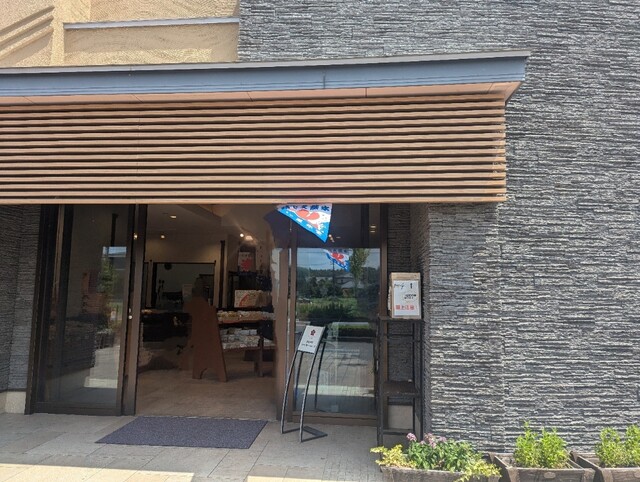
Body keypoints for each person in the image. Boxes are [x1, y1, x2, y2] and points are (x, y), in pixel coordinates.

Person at [182, 278, 227, 382]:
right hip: (202, 330)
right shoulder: (200, 301)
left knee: (195, 347)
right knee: (196, 346)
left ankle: (191, 368)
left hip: (198, 329)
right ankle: (188, 365)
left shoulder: (194, 301)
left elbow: (187, 310)